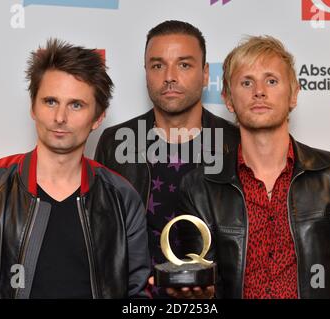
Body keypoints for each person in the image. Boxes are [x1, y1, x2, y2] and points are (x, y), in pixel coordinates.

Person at [174, 35, 330, 298]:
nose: (259, 91)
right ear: (228, 99)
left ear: (293, 94)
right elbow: (204, 289)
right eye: (246, 82)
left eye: (271, 81)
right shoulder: (199, 188)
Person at [0, 39, 150, 299]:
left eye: (76, 105)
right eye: (50, 101)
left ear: (98, 117)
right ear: (33, 107)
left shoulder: (122, 198)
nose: (60, 117)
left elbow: (139, 295)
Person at [95, 20, 239, 298]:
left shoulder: (235, 143)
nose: (169, 76)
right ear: (146, 72)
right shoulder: (115, 142)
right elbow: (102, 240)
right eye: (158, 65)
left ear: (206, 73)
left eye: (184, 65)